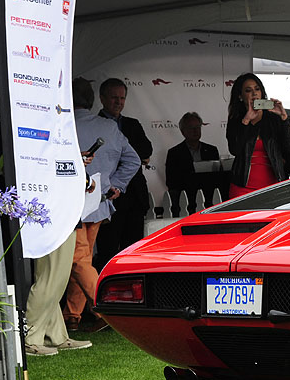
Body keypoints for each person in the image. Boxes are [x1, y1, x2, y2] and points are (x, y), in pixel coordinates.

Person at [64, 78, 141, 332]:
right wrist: (115, 186)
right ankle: (72, 314)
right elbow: (134, 160)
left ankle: (107, 311)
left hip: (71, 202)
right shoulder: (109, 127)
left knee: (78, 260)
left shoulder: (63, 124)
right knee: (83, 258)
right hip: (97, 202)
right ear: (93, 99)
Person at [24, 149, 97, 355]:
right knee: (51, 279)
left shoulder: (54, 136)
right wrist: (81, 172)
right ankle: (31, 337)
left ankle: (54, 335)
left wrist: (77, 164)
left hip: (61, 213)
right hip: (53, 213)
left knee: (55, 280)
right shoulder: (46, 137)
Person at [93, 78, 152, 270]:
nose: (118, 102)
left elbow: (146, 150)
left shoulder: (132, 124)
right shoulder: (94, 124)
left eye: (122, 98)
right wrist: (126, 156)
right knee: (107, 252)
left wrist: (120, 154)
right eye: (114, 98)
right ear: (102, 98)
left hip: (134, 197)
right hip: (108, 199)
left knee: (133, 252)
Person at [226, 72, 290, 199]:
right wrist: (246, 121)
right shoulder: (237, 120)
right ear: (240, 96)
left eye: (257, 89)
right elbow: (234, 149)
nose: (254, 93)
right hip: (242, 187)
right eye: (248, 90)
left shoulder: (273, 118)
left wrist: (284, 119)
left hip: (272, 186)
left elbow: (289, 148)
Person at [165, 111, 221, 217]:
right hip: (185, 203)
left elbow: (217, 178)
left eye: (198, 127)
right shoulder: (174, 153)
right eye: (191, 128)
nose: (195, 131)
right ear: (183, 131)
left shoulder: (211, 150)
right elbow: (171, 182)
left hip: (210, 201)